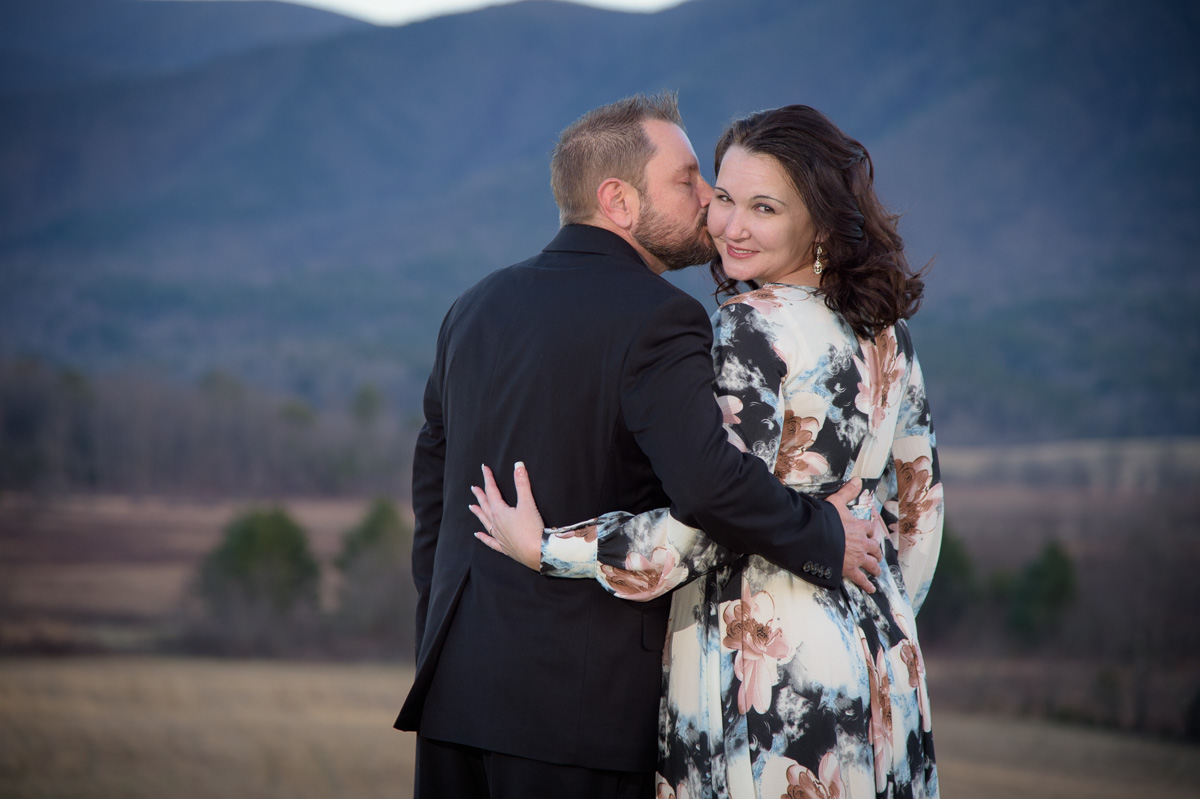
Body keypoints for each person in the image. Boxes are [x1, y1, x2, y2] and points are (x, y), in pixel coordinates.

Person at [393, 93, 880, 799]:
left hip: (453, 697)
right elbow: (709, 484)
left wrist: (437, 644)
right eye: (687, 181)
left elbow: (432, 502)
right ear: (618, 201)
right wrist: (823, 532)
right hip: (581, 718)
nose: (709, 197)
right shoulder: (662, 317)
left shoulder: (472, 307)